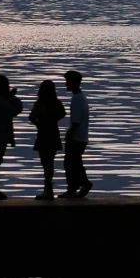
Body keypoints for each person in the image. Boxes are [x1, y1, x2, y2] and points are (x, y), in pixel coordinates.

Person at [28, 79, 66, 201]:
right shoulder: (56, 103)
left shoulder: (40, 103)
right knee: (50, 162)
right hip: (53, 134)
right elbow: (62, 113)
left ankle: (48, 189)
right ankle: (48, 188)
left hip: (43, 135)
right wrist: (52, 119)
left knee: (46, 163)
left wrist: (39, 123)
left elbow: (31, 117)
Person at [64, 69, 92, 198]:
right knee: (75, 162)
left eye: (68, 81)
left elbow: (75, 121)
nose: (66, 84)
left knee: (70, 163)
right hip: (82, 137)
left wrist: (68, 135)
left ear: (75, 82)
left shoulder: (76, 99)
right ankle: (73, 188)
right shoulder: (82, 98)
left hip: (76, 138)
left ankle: (80, 185)